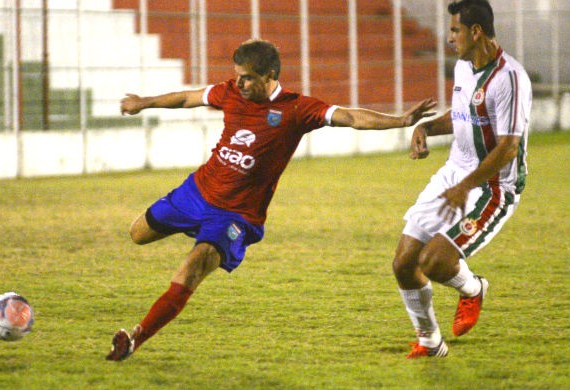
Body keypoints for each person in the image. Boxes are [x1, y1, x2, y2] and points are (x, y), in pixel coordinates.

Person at [106, 38, 436, 361]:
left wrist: (401, 121)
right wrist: (144, 102)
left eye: (248, 77)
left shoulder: (296, 109)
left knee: (193, 267)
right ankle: (194, 231)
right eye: (237, 74)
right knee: (137, 234)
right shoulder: (230, 92)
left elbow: (350, 117)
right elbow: (187, 98)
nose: (240, 82)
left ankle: (136, 338)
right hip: (196, 192)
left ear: (269, 77)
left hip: (235, 215)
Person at [392, 0, 532, 358]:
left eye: (455, 30)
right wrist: (425, 127)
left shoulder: (510, 78)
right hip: (455, 173)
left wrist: (465, 186)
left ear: (476, 31)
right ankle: (430, 341)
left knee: (435, 262)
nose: (449, 37)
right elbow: (462, 117)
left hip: (492, 186)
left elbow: (507, 149)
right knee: (404, 263)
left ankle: (473, 289)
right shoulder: (464, 68)